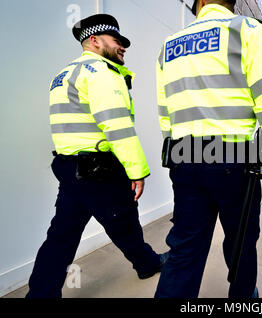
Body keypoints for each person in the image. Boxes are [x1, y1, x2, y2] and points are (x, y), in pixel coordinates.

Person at [154, 0, 262, 298]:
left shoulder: (169, 45)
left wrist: (175, 155)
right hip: (233, 162)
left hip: (185, 160)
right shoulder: (246, 30)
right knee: (241, 244)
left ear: (201, 2)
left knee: (183, 249)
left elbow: (166, 112)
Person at [26, 14, 168, 298]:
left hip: (69, 168)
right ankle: (147, 263)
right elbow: (117, 125)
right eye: (117, 41)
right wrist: (136, 171)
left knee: (61, 236)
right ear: (94, 40)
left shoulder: (63, 75)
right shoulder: (102, 72)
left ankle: (40, 294)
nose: (123, 47)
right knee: (124, 222)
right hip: (99, 170)